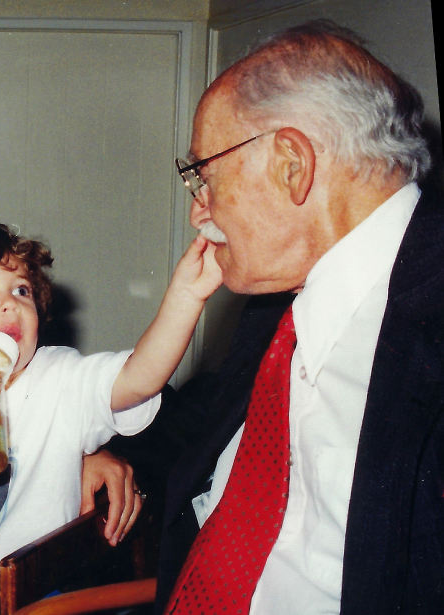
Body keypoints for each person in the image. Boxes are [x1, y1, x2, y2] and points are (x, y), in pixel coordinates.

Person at [148, 20, 443, 615]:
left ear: (292, 164)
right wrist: (92, 442)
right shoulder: (282, 291)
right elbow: (206, 424)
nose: (198, 211)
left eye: (205, 176)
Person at [0, 221, 221, 606]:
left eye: (21, 290)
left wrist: (187, 296)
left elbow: (139, 379)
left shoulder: (60, 377)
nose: (10, 303)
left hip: (36, 589)